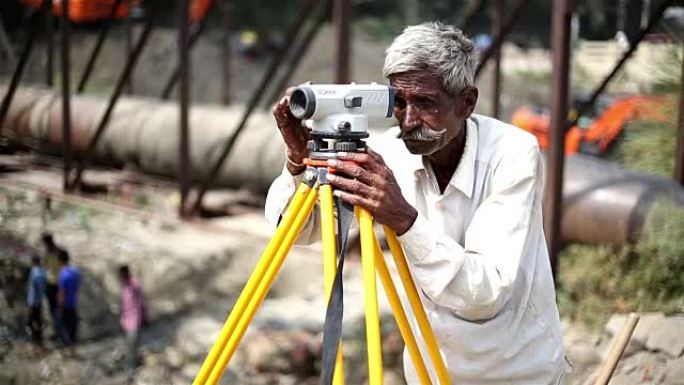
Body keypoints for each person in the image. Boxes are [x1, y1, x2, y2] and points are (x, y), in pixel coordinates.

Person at [266, 22, 568, 385]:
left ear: (466, 102)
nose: (409, 120)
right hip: (429, 372)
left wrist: (403, 218)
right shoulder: (390, 152)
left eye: (425, 103)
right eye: (400, 102)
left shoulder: (512, 154)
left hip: (516, 372)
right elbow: (299, 231)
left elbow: (486, 291)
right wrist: (300, 164)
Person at [118, 265, 146, 377]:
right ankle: (130, 367)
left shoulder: (134, 285)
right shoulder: (124, 286)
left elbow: (142, 302)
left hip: (134, 321)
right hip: (126, 321)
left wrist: (144, 317)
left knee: (133, 346)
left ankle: (132, 369)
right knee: (129, 346)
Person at [56, 250, 80, 354]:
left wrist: (60, 307)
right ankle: (73, 349)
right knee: (73, 328)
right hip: (73, 303)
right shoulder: (75, 272)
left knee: (63, 327)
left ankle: (66, 350)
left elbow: (62, 292)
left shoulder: (63, 274)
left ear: (60, 260)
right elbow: (77, 287)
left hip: (65, 305)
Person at [41, 232, 63, 336]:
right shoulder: (46, 253)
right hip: (50, 284)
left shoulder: (59, 252)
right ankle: (57, 330)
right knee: (53, 309)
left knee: (61, 307)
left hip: (60, 284)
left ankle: (64, 330)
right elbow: (45, 267)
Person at [26, 254, 47, 354]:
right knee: (36, 323)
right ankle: (39, 345)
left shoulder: (35, 273)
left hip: (34, 303)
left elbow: (34, 290)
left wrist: (30, 305)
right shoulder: (43, 271)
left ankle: (37, 346)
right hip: (39, 301)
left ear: (33, 262)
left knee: (31, 324)